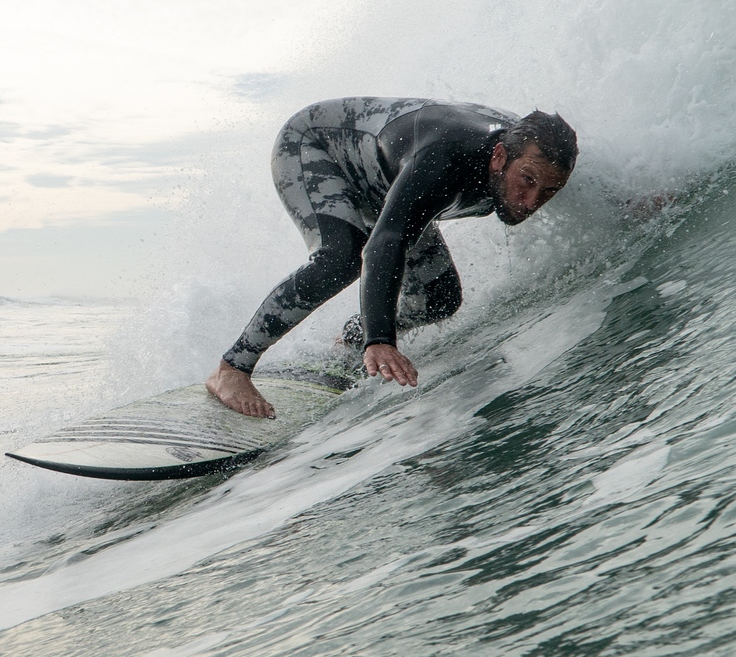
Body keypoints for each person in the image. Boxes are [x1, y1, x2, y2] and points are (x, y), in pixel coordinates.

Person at [206, 97, 578, 417]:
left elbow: (579, 181)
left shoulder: (535, 155)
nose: (531, 203)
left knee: (440, 299)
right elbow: (385, 244)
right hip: (317, 147)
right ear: (499, 157)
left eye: (549, 191)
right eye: (527, 182)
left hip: (389, 178)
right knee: (341, 258)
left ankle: (350, 340)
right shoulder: (444, 164)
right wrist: (381, 339)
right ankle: (232, 368)